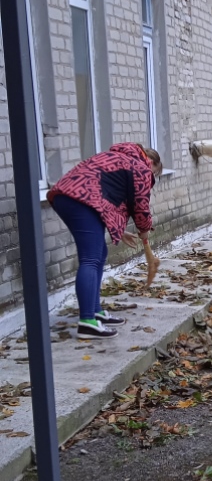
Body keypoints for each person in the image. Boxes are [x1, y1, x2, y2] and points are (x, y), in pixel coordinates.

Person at [47, 143, 162, 339]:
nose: (151, 178)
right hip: (80, 200)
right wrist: (144, 230)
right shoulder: (140, 167)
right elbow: (140, 206)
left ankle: (95, 312)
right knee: (91, 258)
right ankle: (87, 322)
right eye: (154, 174)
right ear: (150, 162)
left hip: (72, 197)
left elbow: (108, 194)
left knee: (99, 254)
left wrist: (119, 228)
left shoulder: (118, 158)